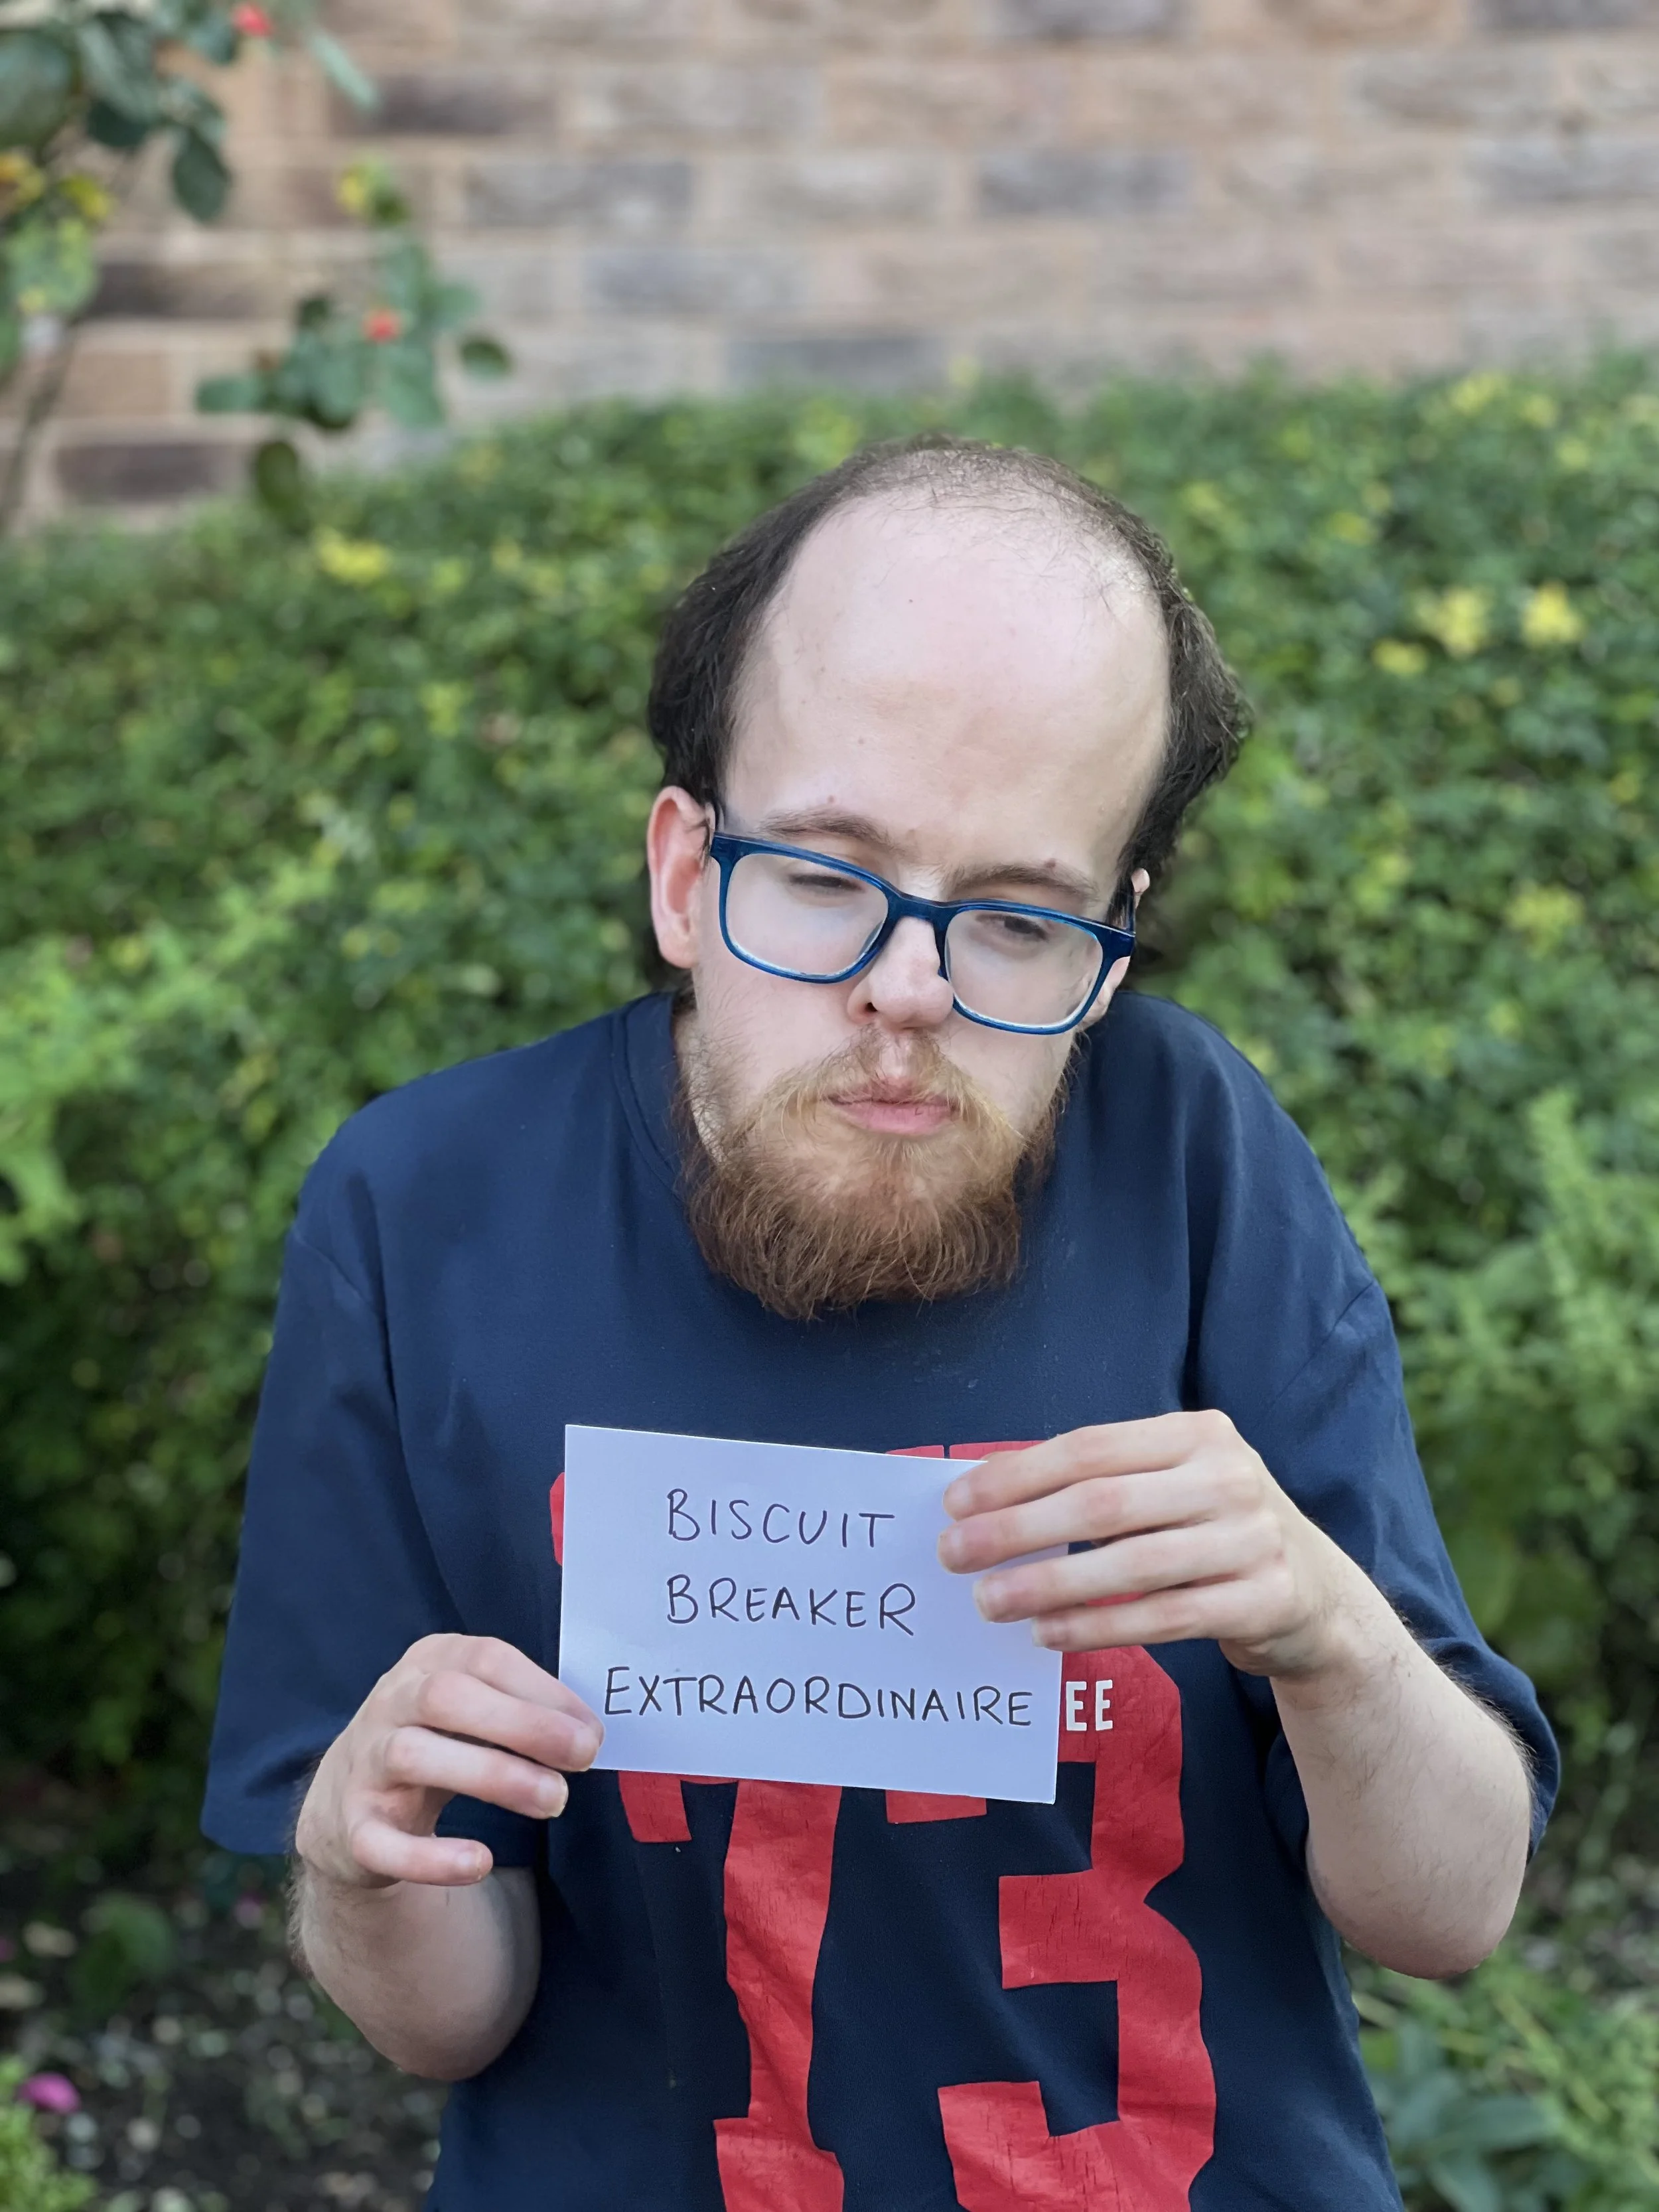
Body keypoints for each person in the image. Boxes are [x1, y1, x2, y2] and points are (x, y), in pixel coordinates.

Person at [203, 437, 1556, 2212]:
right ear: (686, 873)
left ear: (1117, 934)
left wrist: (1329, 1633)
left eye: (1016, 915)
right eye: (828, 879)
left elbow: (1449, 1906)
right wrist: (368, 1856)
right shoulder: (425, 1206)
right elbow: (449, 2021)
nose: (907, 992)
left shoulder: (1192, 1152)